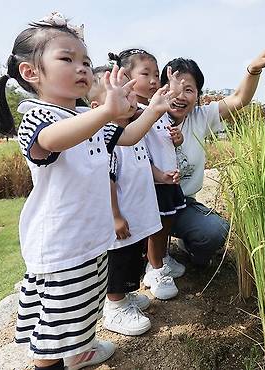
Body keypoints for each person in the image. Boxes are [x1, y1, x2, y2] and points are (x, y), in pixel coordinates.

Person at [0, 12, 169, 370]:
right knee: (54, 329)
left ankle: (81, 351)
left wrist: (152, 112)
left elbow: (126, 137)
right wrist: (106, 114)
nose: (82, 67)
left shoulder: (83, 116)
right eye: (67, 59)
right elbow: (51, 142)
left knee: (85, 305)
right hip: (61, 244)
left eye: (85, 60)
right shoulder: (38, 117)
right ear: (31, 73)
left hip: (89, 237)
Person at [163, 29, 265, 267]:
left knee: (215, 230)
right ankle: (149, 258)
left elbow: (240, 98)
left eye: (188, 89)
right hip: (148, 206)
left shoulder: (199, 117)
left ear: (198, 94)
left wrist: (254, 69)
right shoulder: (146, 119)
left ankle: (188, 247)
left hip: (183, 202)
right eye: (173, 87)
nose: (180, 96)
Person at [87, 65, 182, 335]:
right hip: (123, 217)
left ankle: (126, 295)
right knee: (119, 259)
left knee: (135, 256)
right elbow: (108, 179)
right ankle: (115, 306)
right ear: (98, 106)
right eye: (124, 95)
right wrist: (115, 215)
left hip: (138, 213)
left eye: (130, 93)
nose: (132, 100)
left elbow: (144, 163)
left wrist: (161, 176)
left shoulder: (130, 132)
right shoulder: (107, 138)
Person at [108, 49, 186, 300]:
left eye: (156, 74)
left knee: (167, 223)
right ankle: (155, 269)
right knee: (156, 228)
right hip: (154, 181)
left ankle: (160, 260)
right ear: (126, 78)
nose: (154, 80)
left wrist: (177, 137)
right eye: (146, 74)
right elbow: (145, 121)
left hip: (166, 178)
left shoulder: (155, 107)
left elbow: (164, 134)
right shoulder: (134, 110)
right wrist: (166, 97)